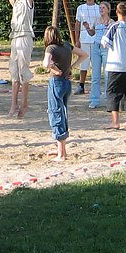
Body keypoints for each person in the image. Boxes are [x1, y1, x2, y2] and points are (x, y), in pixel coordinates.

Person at [42, 26, 87, 161]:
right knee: (63, 113)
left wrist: (54, 69)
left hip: (56, 83)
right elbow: (84, 54)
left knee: (55, 113)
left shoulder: (51, 48)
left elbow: (45, 63)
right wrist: (71, 67)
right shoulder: (66, 45)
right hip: (67, 84)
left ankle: (62, 154)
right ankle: (60, 149)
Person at [4, 0, 34, 118]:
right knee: (14, 75)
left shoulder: (29, 4)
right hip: (15, 39)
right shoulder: (16, 4)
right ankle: (13, 105)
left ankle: (24, 104)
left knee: (23, 74)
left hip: (25, 38)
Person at [84, 1, 114, 109]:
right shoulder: (96, 20)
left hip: (106, 49)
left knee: (107, 75)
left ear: (108, 10)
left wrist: (107, 28)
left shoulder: (111, 22)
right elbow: (92, 33)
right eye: (100, 8)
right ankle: (94, 100)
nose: (101, 9)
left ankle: (109, 99)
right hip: (96, 48)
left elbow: (113, 36)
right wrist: (87, 27)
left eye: (103, 8)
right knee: (95, 76)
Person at [73, 0, 100, 95]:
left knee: (96, 64)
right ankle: (81, 85)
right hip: (84, 39)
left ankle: (95, 86)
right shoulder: (80, 8)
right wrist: (76, 40)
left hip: (95, 40)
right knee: (83, 63)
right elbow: (77, 24)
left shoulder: (99, 8)